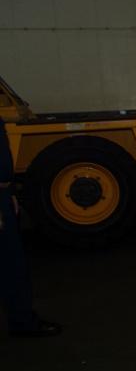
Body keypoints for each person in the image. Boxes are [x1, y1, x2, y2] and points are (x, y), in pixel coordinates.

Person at [1, 118, 61, 337]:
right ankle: (22, 320)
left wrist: (8, 191)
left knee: (13, 265)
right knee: (10, 263)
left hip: (4, 194)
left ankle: (21, 319)